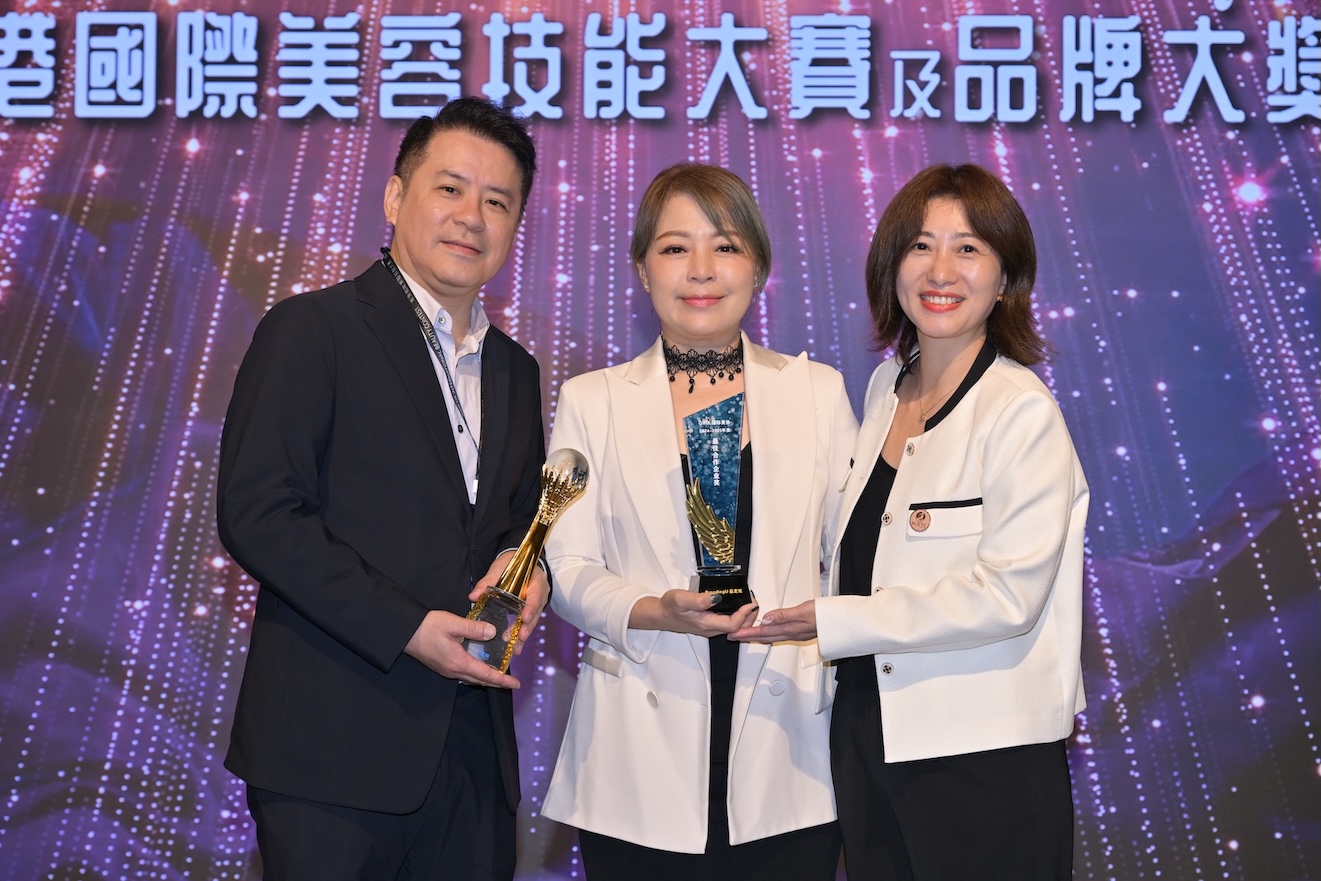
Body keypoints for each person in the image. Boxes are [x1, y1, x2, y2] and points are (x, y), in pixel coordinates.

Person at [216, 96, 549, 881]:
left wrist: (528, 565)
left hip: (471, 760)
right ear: (396, 197)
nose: (471, 217)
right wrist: (405, 627)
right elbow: (259, 512)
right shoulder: (312, 328)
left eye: (497, 201)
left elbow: (516, 520)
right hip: (331, 754)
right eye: (450, 188)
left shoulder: (516, 369)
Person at [733, 163, 1089, 880]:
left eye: (969, 248)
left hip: (984, 757)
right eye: (920, 245)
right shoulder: (883, 388)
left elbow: (1008, 597)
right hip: (869, 737)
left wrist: (835, 620)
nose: (940, 270)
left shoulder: (1020, 410)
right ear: (891, 265)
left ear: (1005, 276)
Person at [540, 163, 858, 880]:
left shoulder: (817, 391)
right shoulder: (592, 399)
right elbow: (568, 565)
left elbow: (851, 557)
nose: (701, 270)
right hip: (636, 755)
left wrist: (822, 618)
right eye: (675, 247)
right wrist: (654, 609)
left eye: (726, 246)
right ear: (641, 268)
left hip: (789, 751)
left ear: (758, 267)